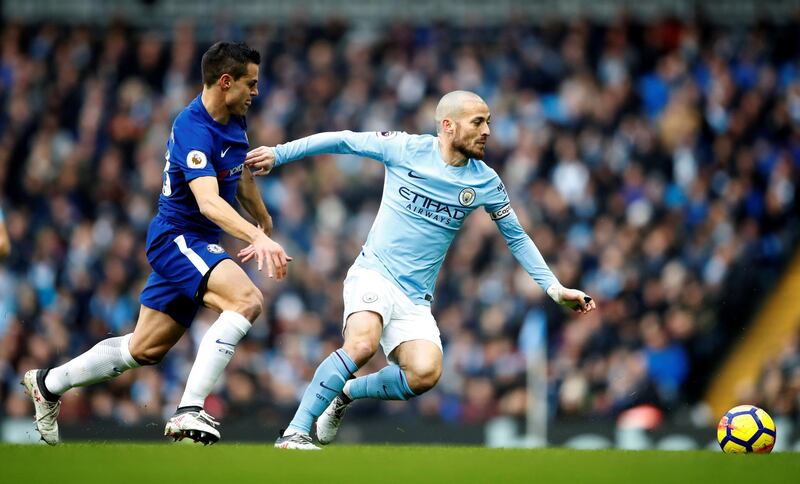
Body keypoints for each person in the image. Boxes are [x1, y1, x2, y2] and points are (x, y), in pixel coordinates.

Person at [244, 90, 597, 450]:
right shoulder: (405, 148)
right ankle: (295, 432)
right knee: (362, 344)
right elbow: (343, 140)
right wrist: (279, 152)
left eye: (488, 121)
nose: (488, 130)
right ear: (447, 125)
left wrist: (556, 288)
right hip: (374, 273)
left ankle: (344, 392)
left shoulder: (486, 181)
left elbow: (517, 237)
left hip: (415, 298)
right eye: (478, 122)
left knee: (425, 374)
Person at [22, 41, 291, 446]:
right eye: (250, 84)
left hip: (193, 243)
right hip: (178, 239)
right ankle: (190, 408)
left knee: (144, 349)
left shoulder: (234, 120)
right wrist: (254, 236)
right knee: (247, 301)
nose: (256, 92)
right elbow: (208, 201)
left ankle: (49, 383)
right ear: (225, 82)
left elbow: (240, 177)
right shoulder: (192, 127)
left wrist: (264, 221)